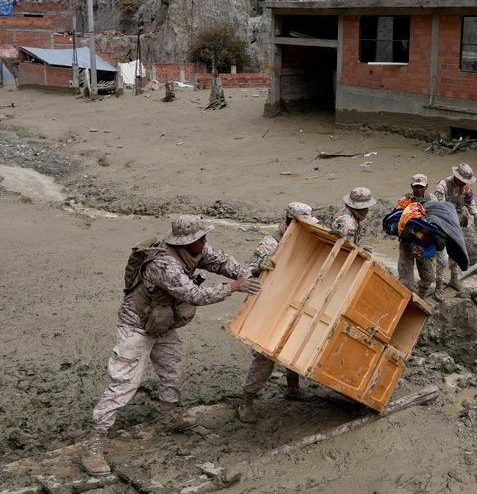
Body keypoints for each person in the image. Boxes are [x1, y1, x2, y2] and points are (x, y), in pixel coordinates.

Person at [82, 215, 262, 477]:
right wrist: (234, 286)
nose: (205, 242)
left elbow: (222, 261)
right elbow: (194, 295)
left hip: (161, 324)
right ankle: (94, 446)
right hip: (135, 328)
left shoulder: (196, 249)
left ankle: (168, 418)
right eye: (201, 239)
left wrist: (245, 273)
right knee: (123, 384)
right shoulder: (163, 264)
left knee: (173, 366)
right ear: (186, 242)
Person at [237, 203, 316, 424]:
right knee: (265, 357)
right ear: (290, 223)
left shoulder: (303, 239)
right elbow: (245, 271)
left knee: (294, 345)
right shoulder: (270, 243)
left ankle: (293, 388)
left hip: (292, 301)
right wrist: (259, 267)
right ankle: (246, 402)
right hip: (268, 305)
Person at [434, 163, 477, 293]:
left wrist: (476, 215)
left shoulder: (466, 188)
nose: (464, 183)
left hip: (458, 224)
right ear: (457, 177)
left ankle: (454, 279)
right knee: (442, 258)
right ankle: (438, 287)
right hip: (443, 226)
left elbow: (470, 202)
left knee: (456, 253)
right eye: (463, 181)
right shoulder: (443, 186)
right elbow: (439, 208)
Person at [396, 174, 435, 297]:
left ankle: (421, 296)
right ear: (411, 186)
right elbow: (397, 218)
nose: (418, 190)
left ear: (427, 186)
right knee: (405, 279)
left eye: (421, 187)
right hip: (407, 241)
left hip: (423, 242)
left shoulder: (432, 199)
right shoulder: (405, 199)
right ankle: (406, 301)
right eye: (416, 187)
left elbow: (438, 218)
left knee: (428, 276)